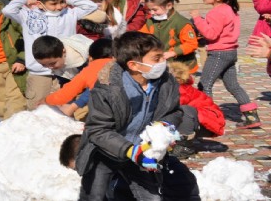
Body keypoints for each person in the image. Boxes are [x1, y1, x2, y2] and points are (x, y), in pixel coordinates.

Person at [76, 32, 200, 201]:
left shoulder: (166, 82)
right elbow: (97, 129)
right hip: (106, 151)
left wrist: (164, 127)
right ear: (134, 65)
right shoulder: (108, 89)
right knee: (94, 195)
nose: (163, 62)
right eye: (156, 58)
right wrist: (130, 151)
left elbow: (174, 111)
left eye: (162, 56)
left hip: (143, 152)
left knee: (152, 198)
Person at [2, 0, 97, 109]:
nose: (59, 7)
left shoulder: (69, 13)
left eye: (61, 2)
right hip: (39, 73)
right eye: (53, 4)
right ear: (40, 3)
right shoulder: (28, 15)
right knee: (38, 109)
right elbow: (7, 10)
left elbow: (91, 6)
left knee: (66, 108)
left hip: (66, 71)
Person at [190, 0, 261, 129]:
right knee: (233, 85)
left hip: (219, 53)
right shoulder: (229, 9)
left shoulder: (216, 11)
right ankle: (251, 116)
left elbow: (211, 33)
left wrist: (197, 19)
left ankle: (208, 119)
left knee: (205, 83)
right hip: (230, 52)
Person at [43, 38, 113, 119]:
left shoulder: (91, 70)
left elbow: (69, 92)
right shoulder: (122, 64)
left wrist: (46, 100)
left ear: (90, 58)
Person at [167, 61, 226, 159]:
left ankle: (185, 146)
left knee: (181, 111)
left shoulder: (181, 90)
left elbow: (171, 107)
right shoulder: (177, 87)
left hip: (207, 122)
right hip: (201, 119)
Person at [141, 0, 199, 73]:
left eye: (155, 9)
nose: (152, 13)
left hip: (182, 67)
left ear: (169, 6)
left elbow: (191, 44)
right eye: (149, 10)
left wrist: (173, 52)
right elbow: (142, 36)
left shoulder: (182, 23)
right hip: (161, 64)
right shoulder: (151, 21)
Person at [30, 35, 93, 110]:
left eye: (52, 63)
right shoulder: (58, 60)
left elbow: (95, 85)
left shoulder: (85, 60)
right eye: (43, 65)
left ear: (63, 52)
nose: (49, 67)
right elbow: (67, 83)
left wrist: (75, 105)